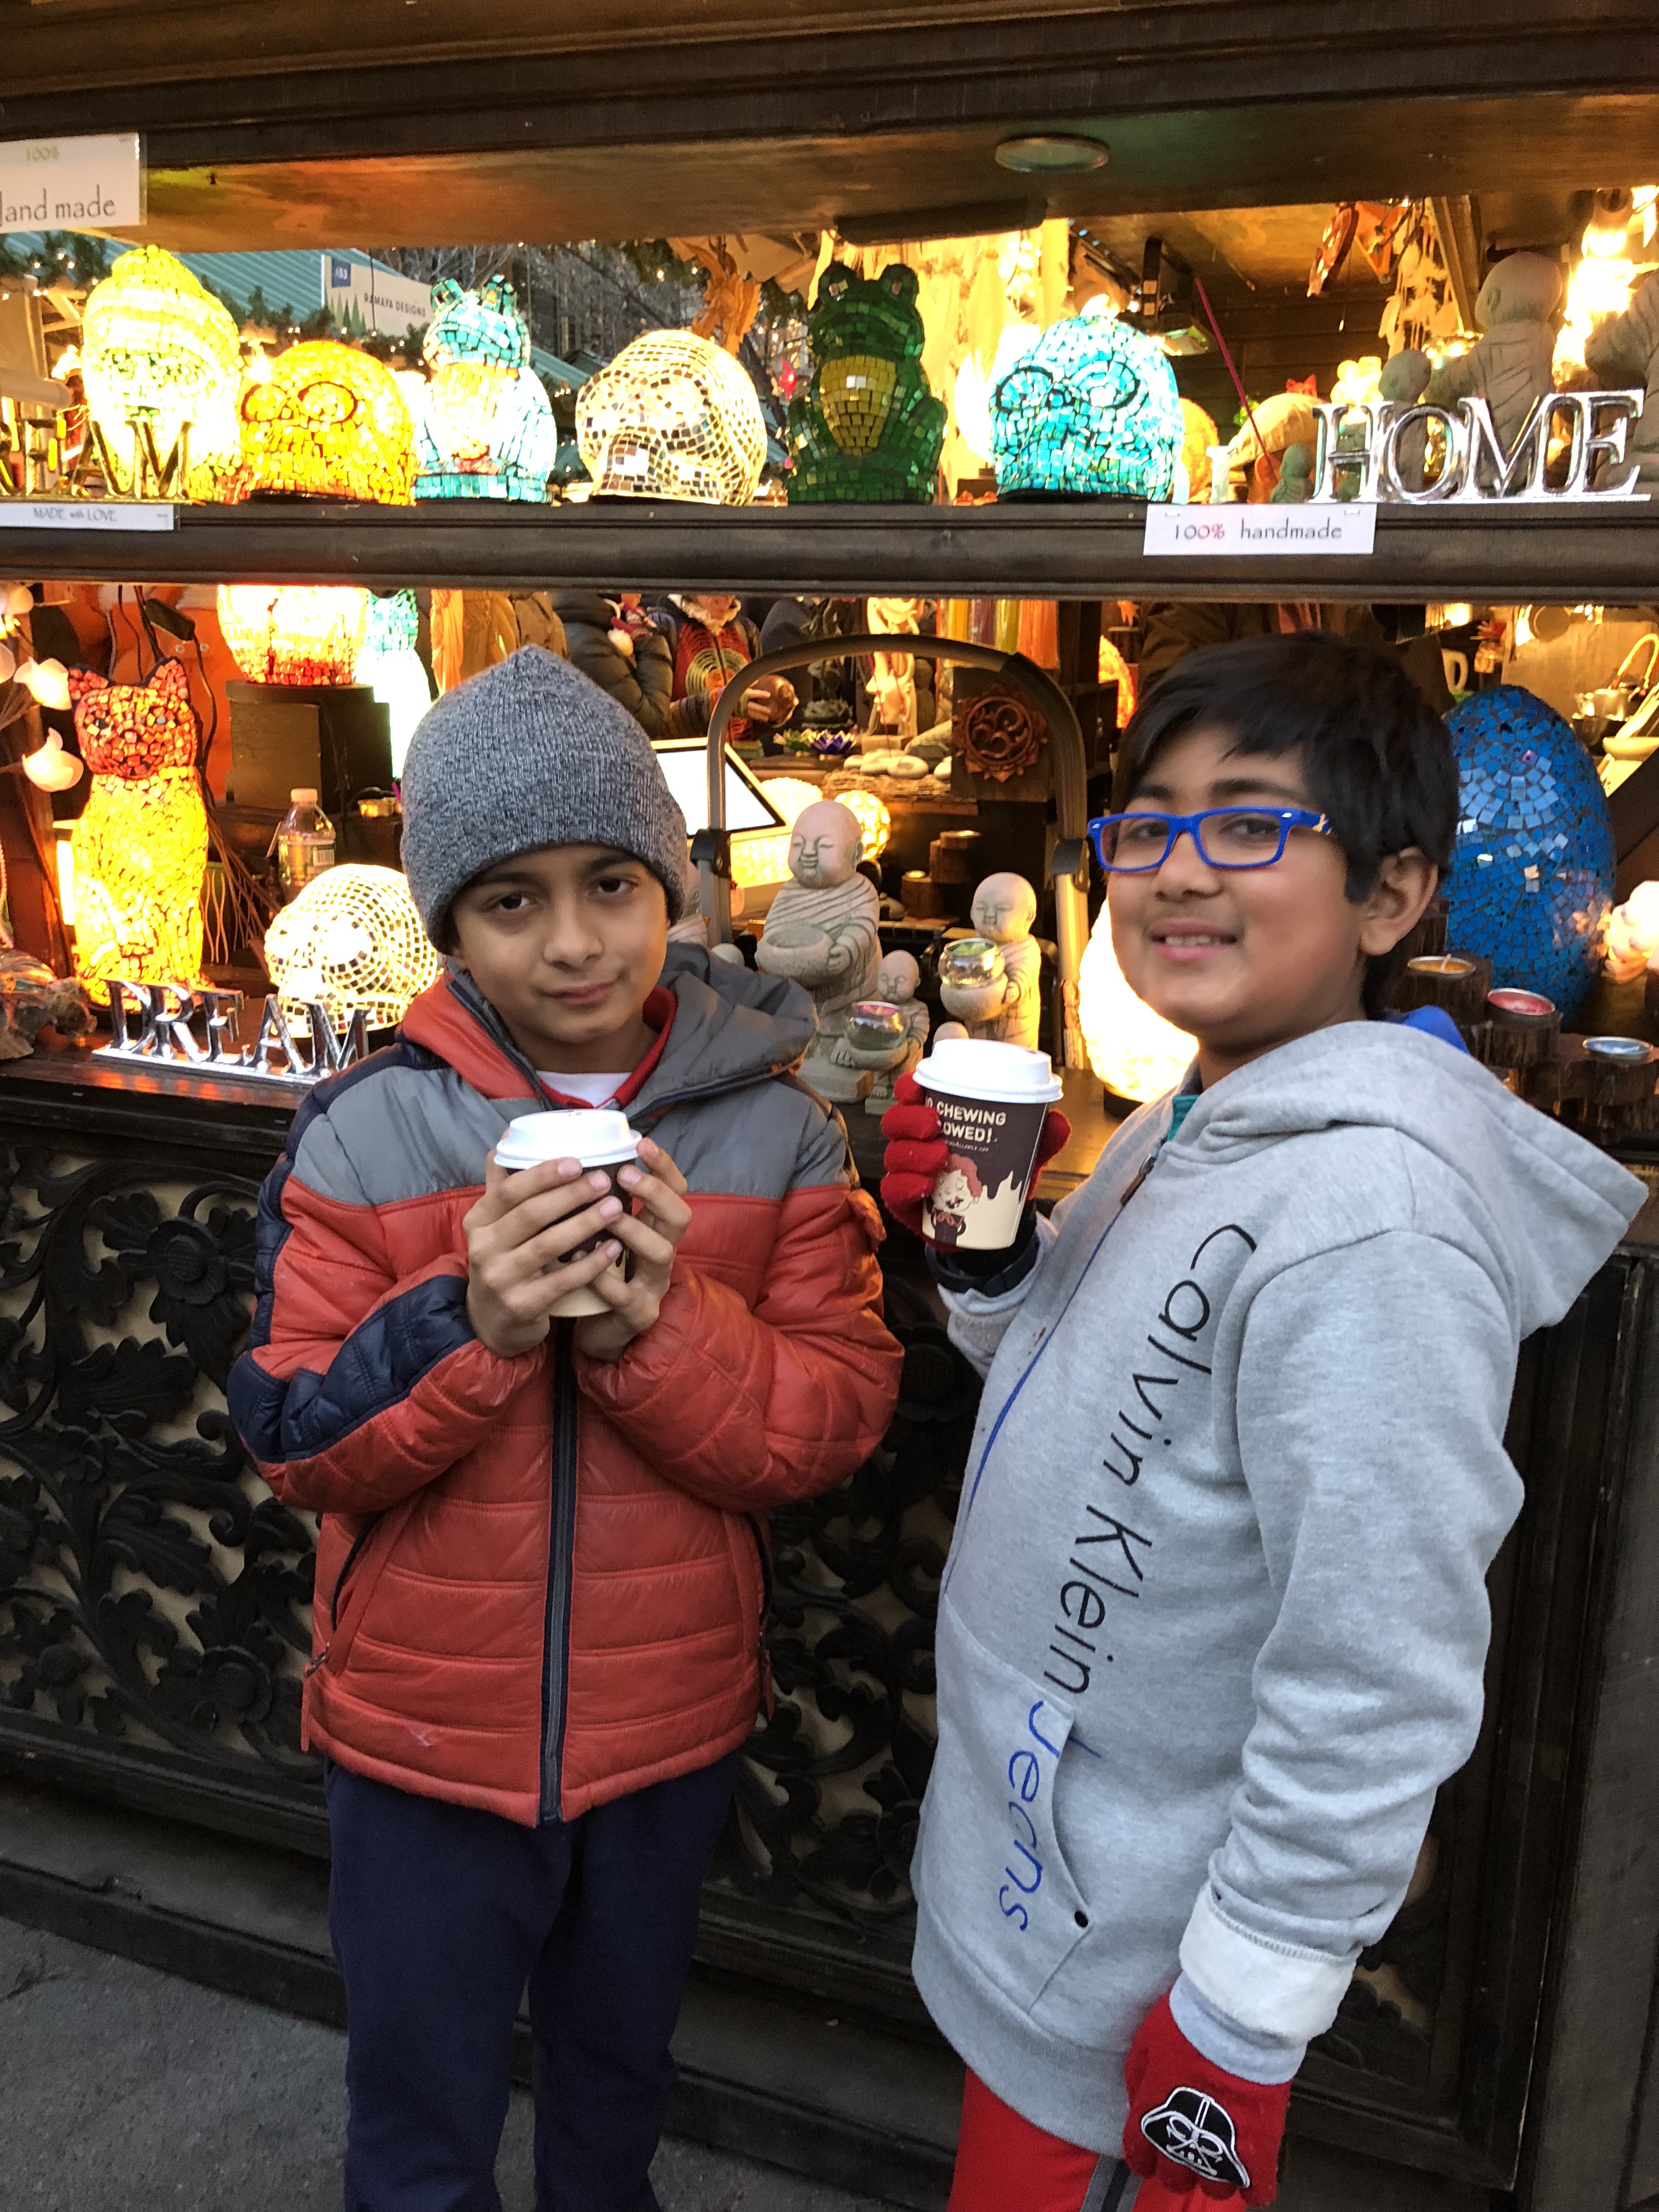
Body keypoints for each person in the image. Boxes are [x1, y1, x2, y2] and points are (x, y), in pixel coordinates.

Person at [879, 631, 1644, 2210]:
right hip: (1049, 1900)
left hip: (1147, 1995)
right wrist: (991, 1255)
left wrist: (1234, 2019)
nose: (1177, 870)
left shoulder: (1373, 1227)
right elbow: (1092, 1388)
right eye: (1148, 825)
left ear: (1392, 893)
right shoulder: (1199, 1117)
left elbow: (1375, 1674)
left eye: (1247, 824)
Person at [227, 646, 901, 2212]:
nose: (576, 940)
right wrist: (473, 1320)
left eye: (612, 883)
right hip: (420, 1735)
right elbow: (294, 1436)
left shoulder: (778, 1130)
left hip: (665, 1724)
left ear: (674, 887)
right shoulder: (366, 1133)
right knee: (419, 2113)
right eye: (512, 901)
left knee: (615, 2091)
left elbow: (830, 1423)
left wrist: (661, 1329)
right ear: (451, 927)